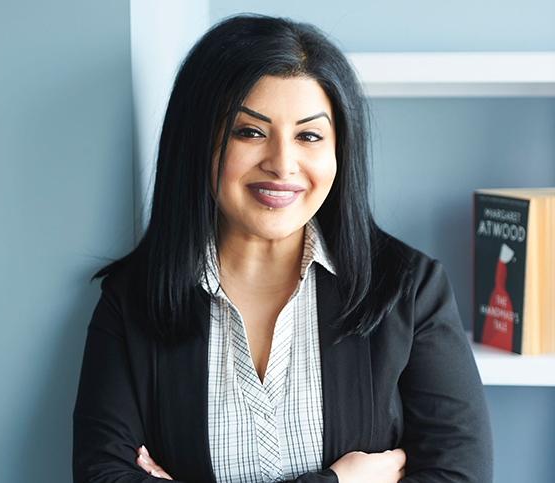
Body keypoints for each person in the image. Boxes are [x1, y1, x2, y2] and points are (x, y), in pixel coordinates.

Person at [72, 13, 493, 483]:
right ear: (198, 142)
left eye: (309, 136)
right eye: (249, 131)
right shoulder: (130, 302)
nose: (282, 164)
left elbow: (461, 476)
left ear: (339, 151)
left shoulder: (410, 291)